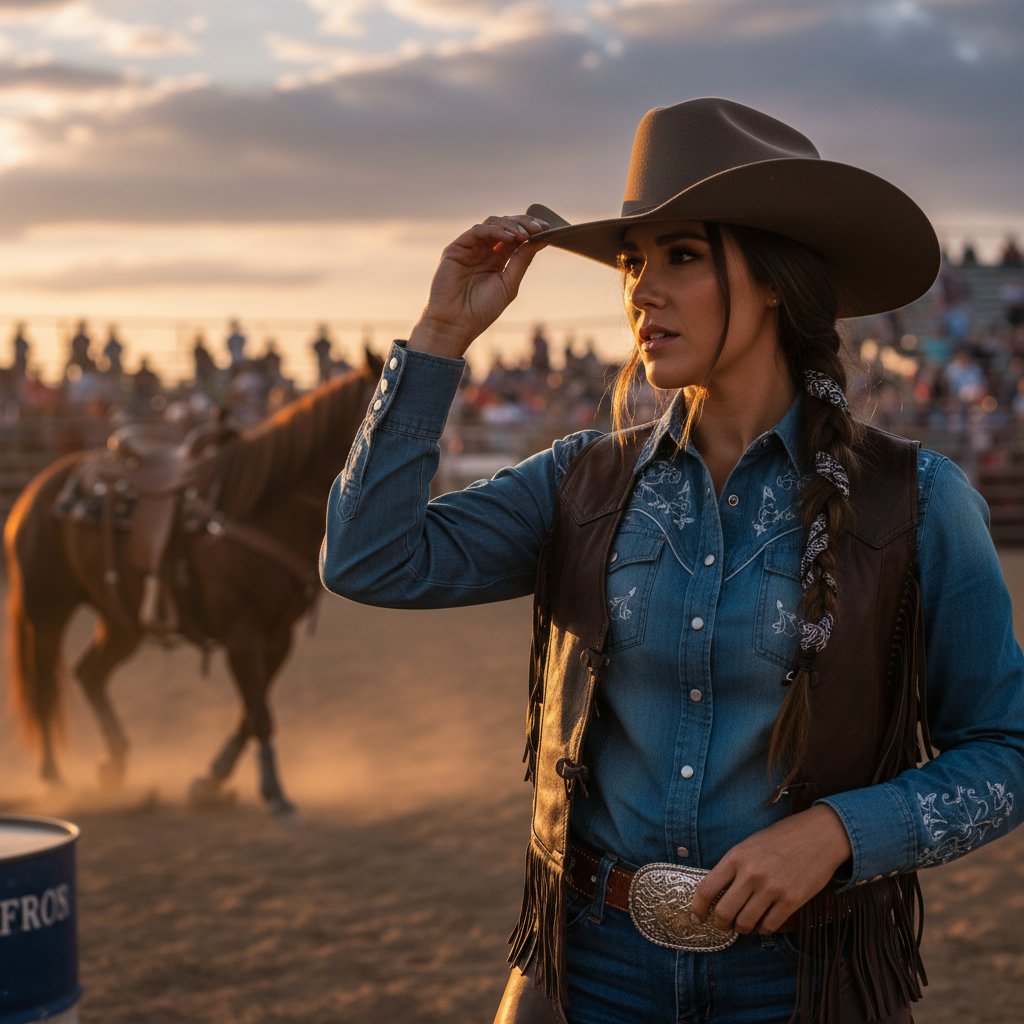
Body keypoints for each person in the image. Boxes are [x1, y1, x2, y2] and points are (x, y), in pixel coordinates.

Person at [319, 98, 1024, 1024]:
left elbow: (1005, 753)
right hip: (586, 971)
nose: (641, 292)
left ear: (774, 279)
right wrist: (440, 336)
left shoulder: (918, 501)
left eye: (681, 256)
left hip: (807, 982)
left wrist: (838, 834)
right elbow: (368, 559)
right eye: (632, 263)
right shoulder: (578, 481)